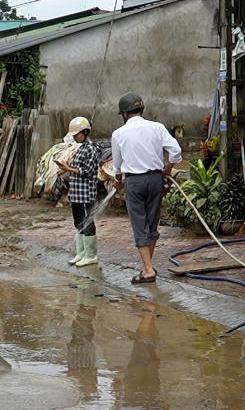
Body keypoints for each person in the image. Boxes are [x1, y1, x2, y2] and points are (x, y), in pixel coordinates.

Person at [110, 92, 181, 284]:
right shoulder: (157, 127)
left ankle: (148, 270)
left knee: (139, 225)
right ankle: (147, 266)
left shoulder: (118, 134)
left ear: (124, 114)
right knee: (152, 222)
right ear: (141, 109)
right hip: (155, 179)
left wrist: (118, 180)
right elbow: (176, 151)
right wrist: (168, 169)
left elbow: (117, 165)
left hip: (134, 182)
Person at [55, 116, 101, 267]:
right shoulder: (80, 148)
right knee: (78, 221)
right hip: (76, 193)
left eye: (77, 135)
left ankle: (91, 255)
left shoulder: (92, 149)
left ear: (85, 132)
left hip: (86, 193)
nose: (75, 137)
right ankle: (81, 253)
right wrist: (68, 165)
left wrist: (69, 169)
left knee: (87, 222)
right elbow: (77, 168)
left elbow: (88, 170)